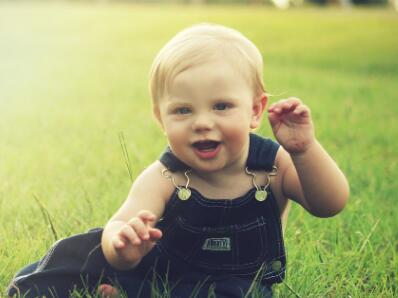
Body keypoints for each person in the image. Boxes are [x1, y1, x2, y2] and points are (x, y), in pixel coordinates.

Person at [8, 23, 349, 298]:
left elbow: (329, 203)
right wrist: (124, 244)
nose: (202, 122)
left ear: (255, 110)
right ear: (161, 119)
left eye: (221, 106)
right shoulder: (165, 176)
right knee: (84, 248)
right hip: (163, 272)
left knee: (238, 293)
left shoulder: (274, 165)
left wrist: (304, 151)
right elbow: (118, 224)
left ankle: (128, 293)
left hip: (236, 285)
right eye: (183, 110)